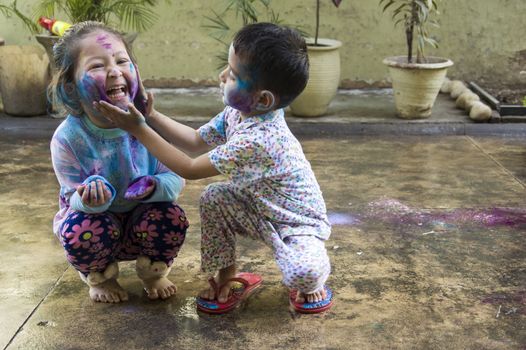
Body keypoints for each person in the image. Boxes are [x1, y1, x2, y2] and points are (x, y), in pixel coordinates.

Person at [97, 22, 333, 313]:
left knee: (302, 274)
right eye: (227, 67)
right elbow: (195, 142)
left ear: (263, 99)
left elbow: (190, 167)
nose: (222, 76)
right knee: (215, 196)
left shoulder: (260, 139)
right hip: (257, 207)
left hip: (296, 223)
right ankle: (228, 277)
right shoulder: (238, 112)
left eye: (233, 75)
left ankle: (315, 277)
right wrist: (152, 115)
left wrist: (138, 129)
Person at [49, 21, 189, 303]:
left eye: (122, 60)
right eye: (97, 66)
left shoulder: (149, 124)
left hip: (143, 221)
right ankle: (100, 277)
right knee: (80, 229)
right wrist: (88, 198)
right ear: (71, 86)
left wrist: (155, 186)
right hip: (100, 227)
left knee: (172, 217)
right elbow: (69, 196)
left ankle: (153, 272)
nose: (114, 71)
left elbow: (176, 176)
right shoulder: (68, 138)